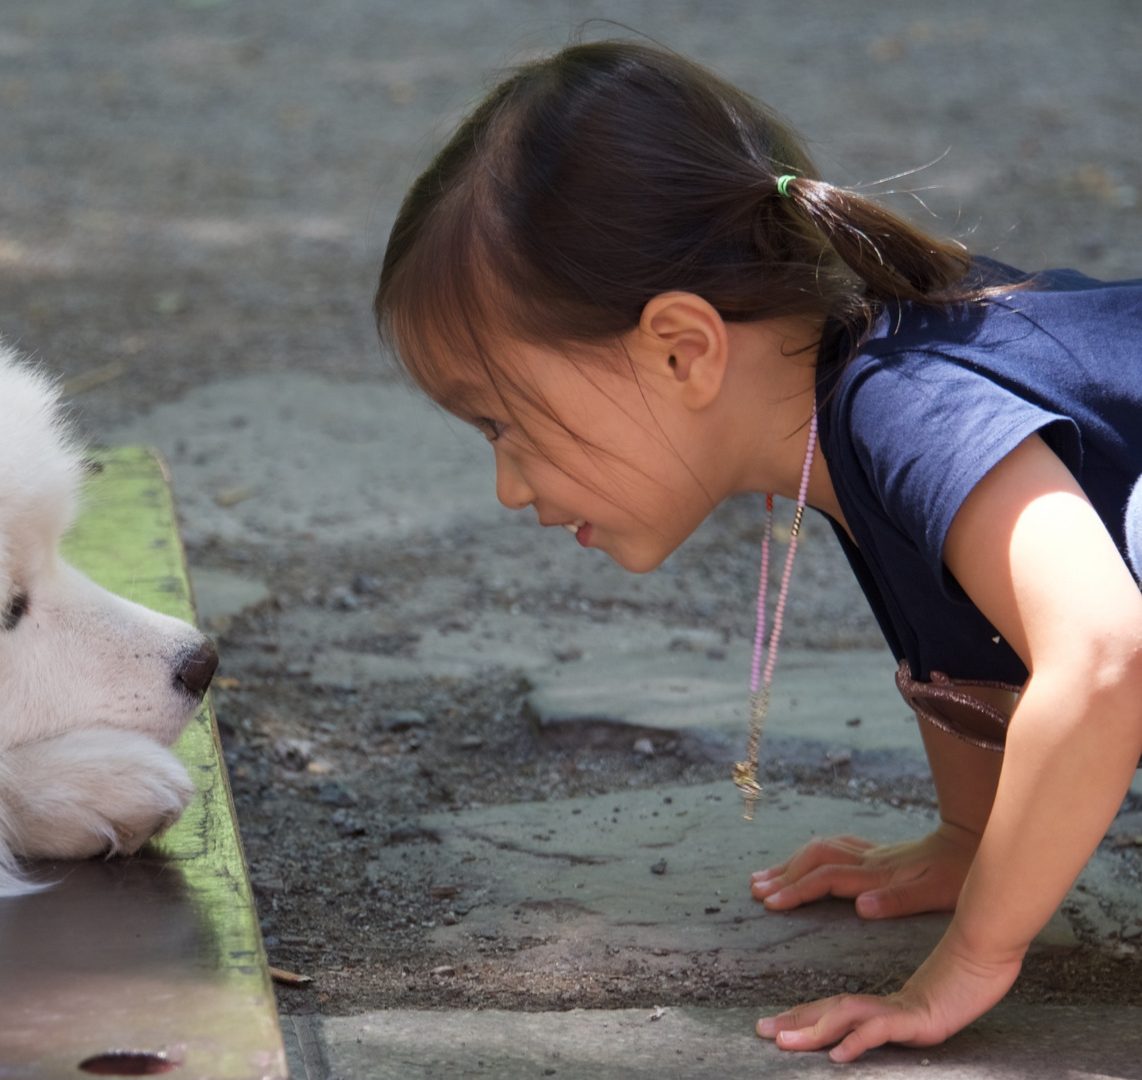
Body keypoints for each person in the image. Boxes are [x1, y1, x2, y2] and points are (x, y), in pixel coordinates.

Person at [373, 39, 1142, 1063]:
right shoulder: (853, 404)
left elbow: (1099, 658)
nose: (508, 486)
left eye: (502, 425)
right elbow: (965, 632)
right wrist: (970, 844)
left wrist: (970, 958)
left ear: (680, 349)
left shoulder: (902, 401)